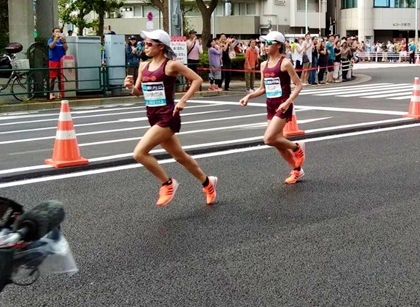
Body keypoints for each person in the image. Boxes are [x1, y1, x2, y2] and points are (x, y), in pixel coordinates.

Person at [124, 29, 217, 206]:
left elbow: (197, 79)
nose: (145, 47)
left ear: (161, 46)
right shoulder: (143, 66)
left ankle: (168, 183)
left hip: (168, 117)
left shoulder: (171, 65)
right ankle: (208, 183)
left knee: (139, 153)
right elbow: (138, 92)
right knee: (180, 156)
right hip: (152, 116)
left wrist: (182, 101)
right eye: (144, 43)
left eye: (149, 44)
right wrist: (130, 87)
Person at [239, 31, 306, 184]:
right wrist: (248, 96)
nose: (265, 46)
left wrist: (288, 101)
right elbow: (263, 88)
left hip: (283, 104)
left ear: (278, 45)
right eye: (264, 43)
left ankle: (296, 148)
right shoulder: (263, 64)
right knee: (277, 142)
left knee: (268, 139)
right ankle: (297, 170)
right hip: (270, 104)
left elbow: (298, 84)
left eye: (268, 43)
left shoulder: (285, 63)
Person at [47, 28, 68, 100]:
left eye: (59, 32)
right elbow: (51, 47)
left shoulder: (62, 41)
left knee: (60, 77)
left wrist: (64, 42)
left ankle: (60, 93)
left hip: (61, 60)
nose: (58, 33)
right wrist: (55, 39)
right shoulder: (50, 40)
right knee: (52, 78)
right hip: (53, 60)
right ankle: (50, 93)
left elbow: (66, 49)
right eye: (56, 31)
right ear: (53, 33)